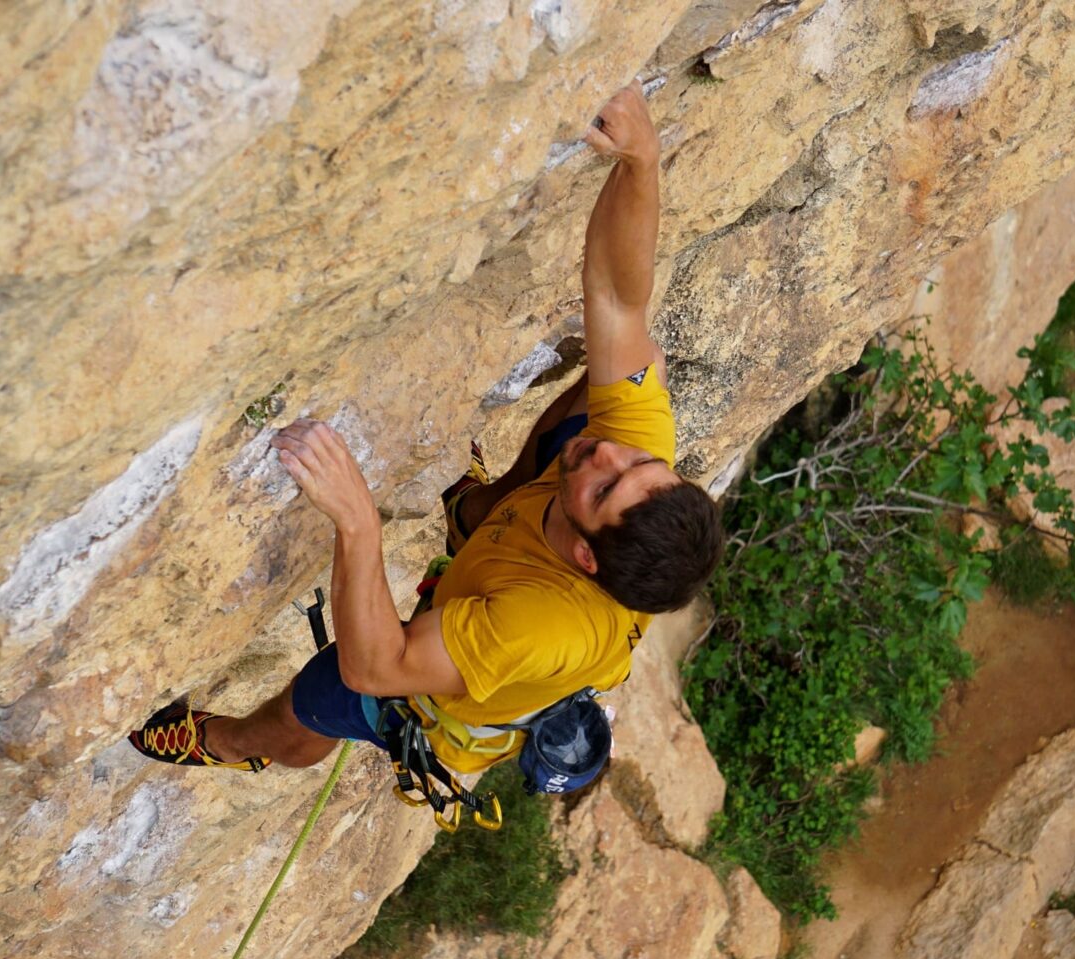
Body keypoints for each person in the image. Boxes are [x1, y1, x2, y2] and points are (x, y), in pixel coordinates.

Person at [129, 83, 725, 781]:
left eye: (609, 487)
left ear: (587, 559)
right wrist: (641, 164)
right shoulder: (630, 468)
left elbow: (379, 664)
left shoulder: (532, 627)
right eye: (642, 465)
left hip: (435, 691)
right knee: (622, 378)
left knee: (320, 699)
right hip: (523, 558)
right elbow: (621, 304)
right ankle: (473, 512)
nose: (613, 453)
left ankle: (227, 746)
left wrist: (358, 523)